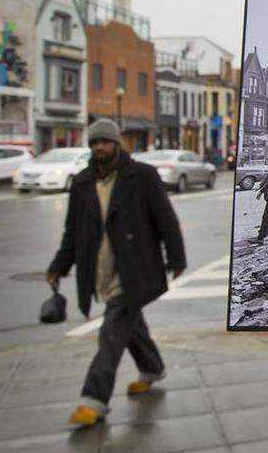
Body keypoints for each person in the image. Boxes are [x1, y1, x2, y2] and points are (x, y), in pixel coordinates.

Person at [45, 118, 186, 427]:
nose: (100, 147)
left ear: (116, 144)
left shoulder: (142, 176)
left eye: (105, 142)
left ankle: (93, 400)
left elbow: (166, 219)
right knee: (129, 322)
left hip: (133, 268)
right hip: (101, 268)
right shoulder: (82, 183)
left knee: (111, 331)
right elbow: (72, 232)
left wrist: (176, 258)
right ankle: (152, 367)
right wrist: (59, 265)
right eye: (94, 143)